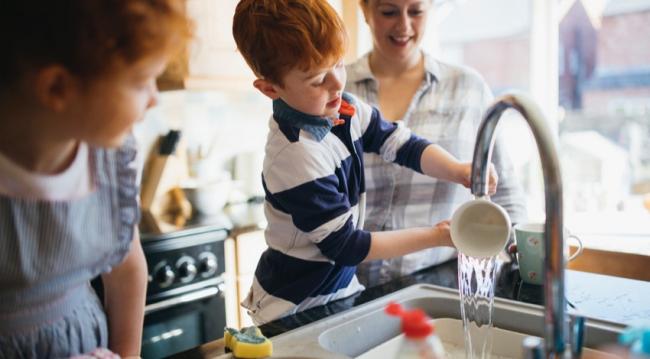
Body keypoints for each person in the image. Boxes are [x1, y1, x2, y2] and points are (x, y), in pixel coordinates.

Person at [231, 0, 498, 325]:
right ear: (269, 88)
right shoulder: (295, 156)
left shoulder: (343, 108)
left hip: (339, 293)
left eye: (339, 65)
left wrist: (458, 170)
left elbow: (404, 146)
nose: (336, 84)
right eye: (317, 79)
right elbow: (346, 246)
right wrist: (437, 235)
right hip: (294, 308)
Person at [0, 1, 190, 357]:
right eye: (139, 82)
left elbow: (127, 268)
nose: (153, 99)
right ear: (57, 88)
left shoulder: (111, 157)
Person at [346, 0, 527, 286]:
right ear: (366, 10)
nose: (404, 25)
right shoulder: (336, 90)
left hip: (440, 283)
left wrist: (524, 252)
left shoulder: (467, 88)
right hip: (347, 287)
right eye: (388, 12)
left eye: (416, 11)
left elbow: (504, 192)